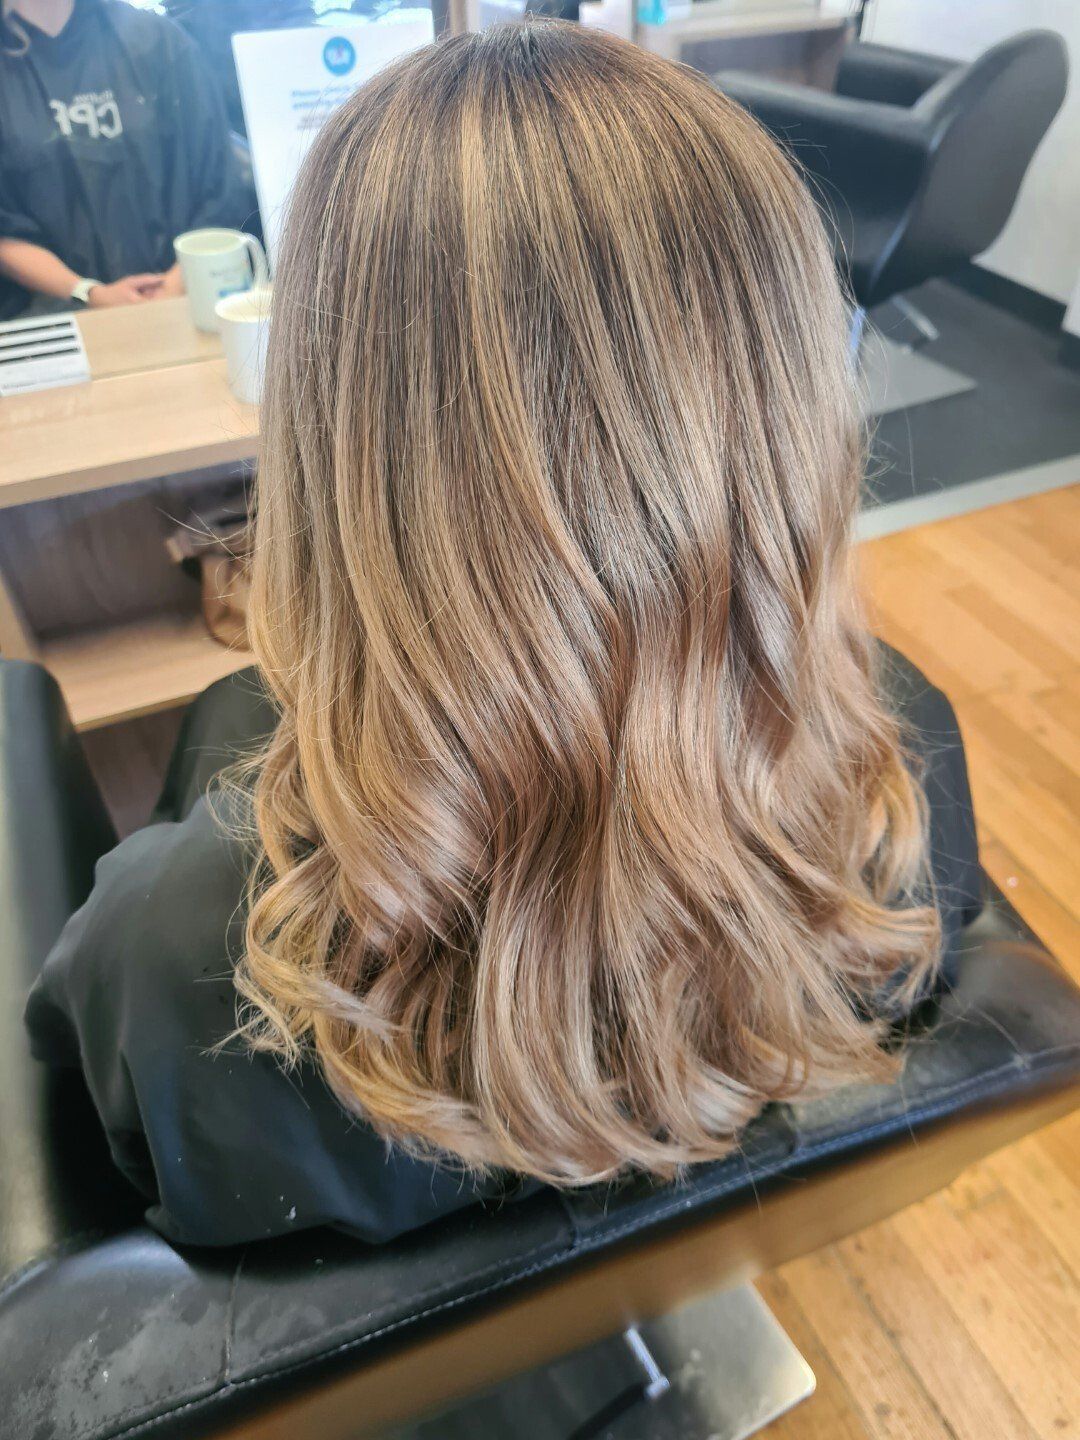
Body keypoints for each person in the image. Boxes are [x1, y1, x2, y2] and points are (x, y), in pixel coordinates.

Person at [24, 23, 981, 1247]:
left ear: (335, 442)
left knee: (227, 720)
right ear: (790, 415)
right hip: (675, 1271)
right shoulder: (910, 791)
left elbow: (96, 1154)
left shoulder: (181, 958)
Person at [0, 0, 245, 318]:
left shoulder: (158, 42)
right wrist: (88, 292)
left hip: (182, 299)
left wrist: (173, 284)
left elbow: (217, 184)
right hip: (54, 317)